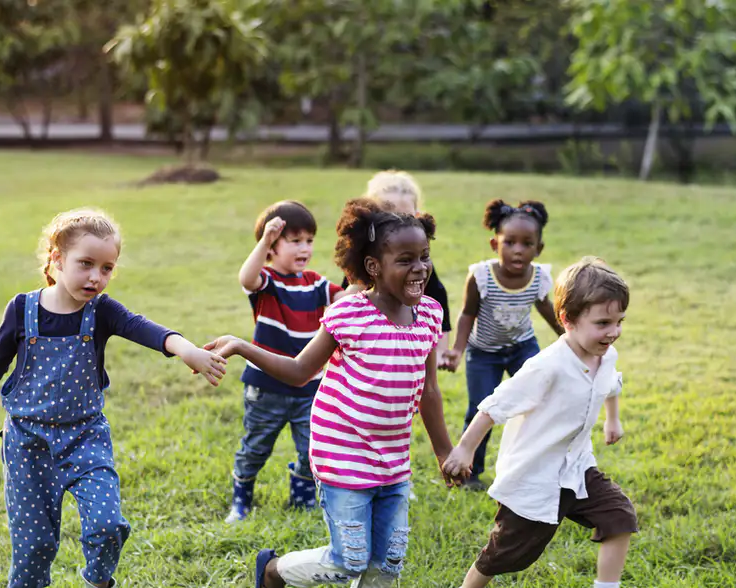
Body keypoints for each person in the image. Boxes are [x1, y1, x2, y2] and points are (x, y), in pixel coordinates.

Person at [0, 208, 227, 588]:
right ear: (56, 259)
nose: (96, 277)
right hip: (29, 443)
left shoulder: (101, 312)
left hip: (85, 438)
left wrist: (188, 350)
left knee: (107, 522)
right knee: (35, 539)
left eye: (107, 268)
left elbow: (144, 328)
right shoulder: (22, 310)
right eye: (86, 264)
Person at [208, 198, 455, 588]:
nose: (420, 268)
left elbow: (430, 392)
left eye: (424, 256)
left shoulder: (430, 316)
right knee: (349, 560)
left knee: (390, 560)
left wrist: (445, 454)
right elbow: (301, 371)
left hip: (392, 461)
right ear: (372, 266)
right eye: (405, 260)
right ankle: (273, 572)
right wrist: (243, 346)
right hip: (342, 454)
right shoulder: (349, 315)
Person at [439, 257, 667, 588]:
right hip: (536, 475)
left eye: (619, 322)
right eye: (602, 323)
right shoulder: (547, 367)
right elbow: (494, 406)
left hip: (577, 467)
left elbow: (611, 383)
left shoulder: (603, 354)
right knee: (509, 552)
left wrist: (613, 420)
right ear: (567, 319)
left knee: (618, 516)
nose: (613, 333)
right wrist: (463, 450)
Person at [227, 200, 345, 523]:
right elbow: (246, 278)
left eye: (308, 240)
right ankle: (241, 500)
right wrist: (263, 240)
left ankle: (302, 499)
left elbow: (347, 299)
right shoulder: (267, 282)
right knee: (256, 447)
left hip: (310, 387)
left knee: (312, 449)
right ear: (272, 249)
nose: (303, 247)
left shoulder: (317, 284)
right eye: (294, 241)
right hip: (266, 388)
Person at [439, 199, 564, 489]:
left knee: (536, 403)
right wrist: (457, 349)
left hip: (523, 348)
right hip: (483, 354)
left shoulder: (538, 277)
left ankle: (533, 466)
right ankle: (472, 470)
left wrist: (570, 337)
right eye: (510, 243)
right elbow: (467, 314)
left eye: (527, 243)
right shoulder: (481, 276)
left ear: (539, 248)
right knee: (481, 409)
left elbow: (548, 311)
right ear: (495, 244)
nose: (518, 250)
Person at [363, 170, 452, 364]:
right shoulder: (366, 262)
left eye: (405, 217)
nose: (397, 226)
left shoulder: (418, 265)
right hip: (373, 349)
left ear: (418, 217)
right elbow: (345, 302)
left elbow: (439, 301)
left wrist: (441, 350)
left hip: (411, 350)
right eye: (388, 217)